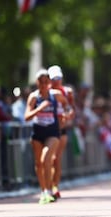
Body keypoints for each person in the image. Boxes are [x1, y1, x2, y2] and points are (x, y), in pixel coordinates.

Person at [24, 69, 72, 204]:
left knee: (47, 159)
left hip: (52, 132)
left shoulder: (55, 95)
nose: (44, 84)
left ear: (49, 82)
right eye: (41, 82)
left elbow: (67, 105)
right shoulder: (33, 97)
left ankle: (50, 190)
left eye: (46, 81)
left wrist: (66, 114)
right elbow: (26, 117)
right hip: (37, 132)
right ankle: (43, 191)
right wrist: (39, 109)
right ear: (37, 83)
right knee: (38, 163)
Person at [48, 65, 75, 199]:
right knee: (48, 159)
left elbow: (72, 109)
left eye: (58, 78)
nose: (56, 81)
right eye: (53, 79)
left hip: (61, 129)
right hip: (48, 128)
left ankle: (55, 186)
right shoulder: (45, 92)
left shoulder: (67, 92)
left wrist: (67, 116)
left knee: (56, 158)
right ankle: (48, 186)